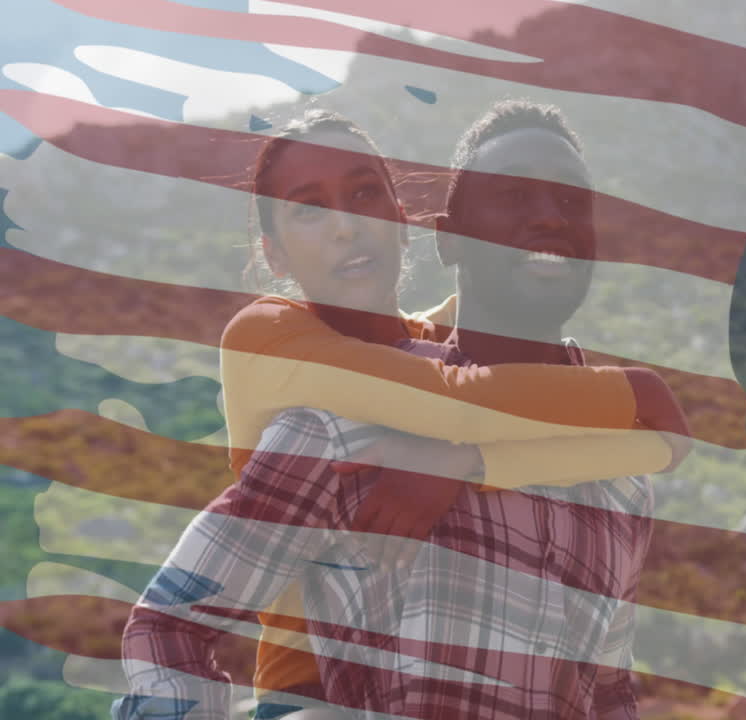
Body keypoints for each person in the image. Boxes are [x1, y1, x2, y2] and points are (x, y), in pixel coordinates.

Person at [112, 103, 672, 719]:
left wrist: (467, 460)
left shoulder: (621, 479)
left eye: (570, 201)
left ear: (403, 223)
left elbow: (609, 691)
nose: (546, 218)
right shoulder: (334, 418)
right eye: (513, 196)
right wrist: (639, 392)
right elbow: (170, 626)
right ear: (446, 237)